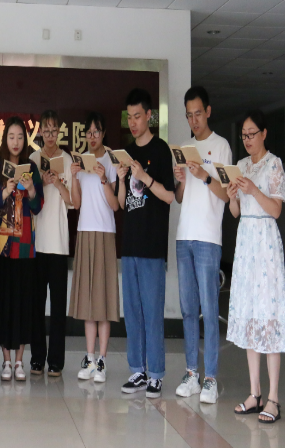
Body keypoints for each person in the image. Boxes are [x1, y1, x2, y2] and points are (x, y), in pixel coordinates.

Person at [227, 110, 285, 424]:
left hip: (265, 242)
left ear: (264, 133)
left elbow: (275, 209)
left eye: (252, 134)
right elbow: (236, 212)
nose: (247, 140)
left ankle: (274, 398)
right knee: (251, 315)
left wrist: (253, 190)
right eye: (244, 135)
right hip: (246, 242)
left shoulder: (273, 164)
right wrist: (232, 197)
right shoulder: (240, 166)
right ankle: (255, 393)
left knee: (269, 316)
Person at [173, 86, 232, 404]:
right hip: (184, 235)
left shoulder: (221, 146)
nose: (194, 120)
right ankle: (191, 373)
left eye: (198, 113)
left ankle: (210, 378)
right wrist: (182, 179)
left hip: (208, 237)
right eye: (189, 115)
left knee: (209, 309)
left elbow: (227, 194)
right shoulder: (185, 147)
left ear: (208, 111)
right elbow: (180, 198)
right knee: (187, 309)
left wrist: (205, 176)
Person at [117, 88, 175, 398]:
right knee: (133, 312)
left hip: (152, 245)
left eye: (138, 116)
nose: (133, 122)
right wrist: (122, 178)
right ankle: (137, 370)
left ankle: (156, 374)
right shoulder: (126, 152)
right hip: (130, 244)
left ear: (149, 116)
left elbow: (170, 196)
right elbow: (123, 203)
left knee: (152, 312)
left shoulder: (161, 150)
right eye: (129, 117)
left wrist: (145, 176)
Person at [0, 117, 43, 382]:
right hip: (1, 246)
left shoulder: (31, 167)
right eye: (11, 137)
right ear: (5, 139)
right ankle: (6, 361)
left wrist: (31, 190)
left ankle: (20, 361)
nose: (16, 142)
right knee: (4, 303)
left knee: (23, 303)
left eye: (20, 137)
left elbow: (38, 206)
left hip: (25, 246)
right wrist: (4, 192)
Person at [69, 113, 120, 383]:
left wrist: (103, 178)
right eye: (88, 132)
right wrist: (73, 176)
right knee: (88, 300)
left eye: (96, 132)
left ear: (103, 133)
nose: (92, 136)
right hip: (85, 230)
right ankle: (89, 358)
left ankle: (102, 360)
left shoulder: (110, 159)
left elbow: (115, 205)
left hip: (105, 232)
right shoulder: (80, 161)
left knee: (104, 299)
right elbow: (76, 204)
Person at [28, 110, 72, 377]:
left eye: (54, 130)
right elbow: (28, 201)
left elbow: (72, 202)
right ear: (40, 132)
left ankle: (56, 361)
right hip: (37, 242)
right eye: (46, 130)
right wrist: (41, 183)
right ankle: (37, 358)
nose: (50, 135)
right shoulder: (33, 160)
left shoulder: (67, 160)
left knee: (57, 307)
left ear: (59, 132)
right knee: (36, 305)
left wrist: (58, 184)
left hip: (59, 243)